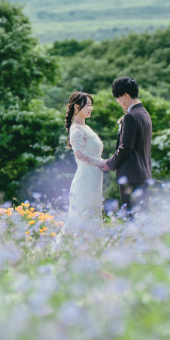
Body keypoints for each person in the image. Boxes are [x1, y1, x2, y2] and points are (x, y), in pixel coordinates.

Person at [100, 77, 152, 214]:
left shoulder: (131, 116)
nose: (118, 101)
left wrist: (110, 163)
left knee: (131, 217)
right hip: (143, 175)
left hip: (131, 175)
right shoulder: (144, 114)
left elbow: (126, 147)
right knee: (139, 217)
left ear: (126, 95)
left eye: (118, 97)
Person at [63, 91, 104, 233]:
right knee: (83, 215)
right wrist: (100, 163)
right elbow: (79, 154)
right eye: (88, 105)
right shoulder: (76, 129)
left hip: (94, 178)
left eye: (91, 105)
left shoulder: (86, 128)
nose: (90, 108)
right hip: (85, 178)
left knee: (93, 213)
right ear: (76, 107)